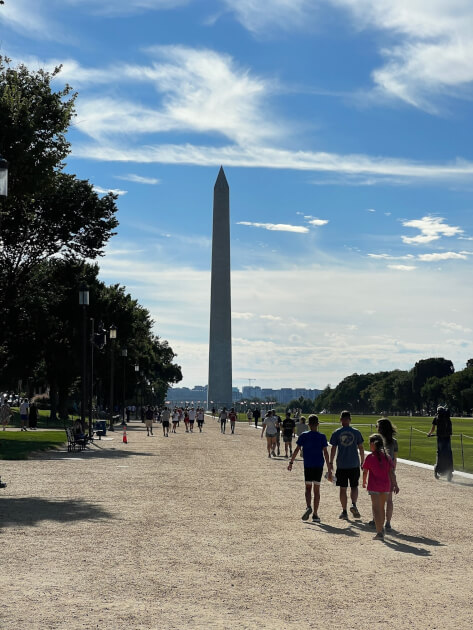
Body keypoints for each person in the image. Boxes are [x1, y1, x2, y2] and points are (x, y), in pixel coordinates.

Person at [288, 415, 331, 522]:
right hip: (318, 465)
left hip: (308, 465)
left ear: (308, 424)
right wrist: (329, 468)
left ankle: (308, 506)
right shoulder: (322, 436)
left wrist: (291, 462)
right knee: (317, 490)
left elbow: (297, 450)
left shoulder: (303, 435)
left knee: (308, 488)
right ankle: (315, 514)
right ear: (318, 424)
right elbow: (325, 452)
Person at [362, 434, 399, 541]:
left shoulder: (370, 457)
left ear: (373, 444)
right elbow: (391, 472)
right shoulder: (387, 457)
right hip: (386, 486)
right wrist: (395, 484)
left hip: (374, 486)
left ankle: (379, 532)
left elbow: (365, 471)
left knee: (376, 508)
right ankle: (381, 528)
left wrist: (364, 481)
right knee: (381, 508)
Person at [329, 410, 364, 520]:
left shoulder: (336, 432)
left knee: (343, 489)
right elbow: (361, 448)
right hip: (354, 463)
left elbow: (333, 449)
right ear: (350, 419)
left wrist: (330, 462)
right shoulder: (356, 432)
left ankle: (344, 511)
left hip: (342, 464)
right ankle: (353, 504)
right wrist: (363, 461)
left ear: (341, 420)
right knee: (354, 486)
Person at [371, 418, 398, 530]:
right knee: (389, 499)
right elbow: (395, 459)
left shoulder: (376, 440)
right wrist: (393, 472)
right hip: (389, 471)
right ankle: (388, 522)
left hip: (378, 471)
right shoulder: (394, 441)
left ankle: (375, 519)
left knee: (376, 498)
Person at [428, 405, 453, 482]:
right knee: (448, 454)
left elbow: (433, 429)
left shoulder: (436, 418)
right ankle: (449, 470)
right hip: (447, 438)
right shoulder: (448, 418)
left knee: (440, 454)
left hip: (440, 439)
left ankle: (438, 469)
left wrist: (429, 434)